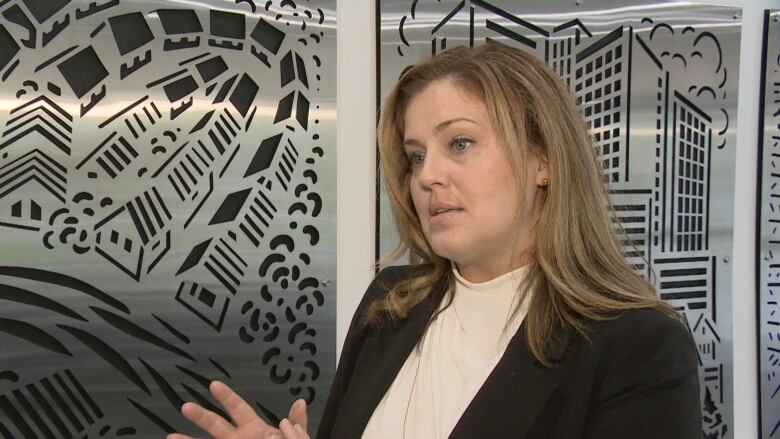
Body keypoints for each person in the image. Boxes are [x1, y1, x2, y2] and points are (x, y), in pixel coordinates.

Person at [168, 42, 701, 439]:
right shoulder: (392, 304)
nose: (426, 176)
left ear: (544, 159)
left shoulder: (637, 347)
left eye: (460, 143)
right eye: (417, 155)